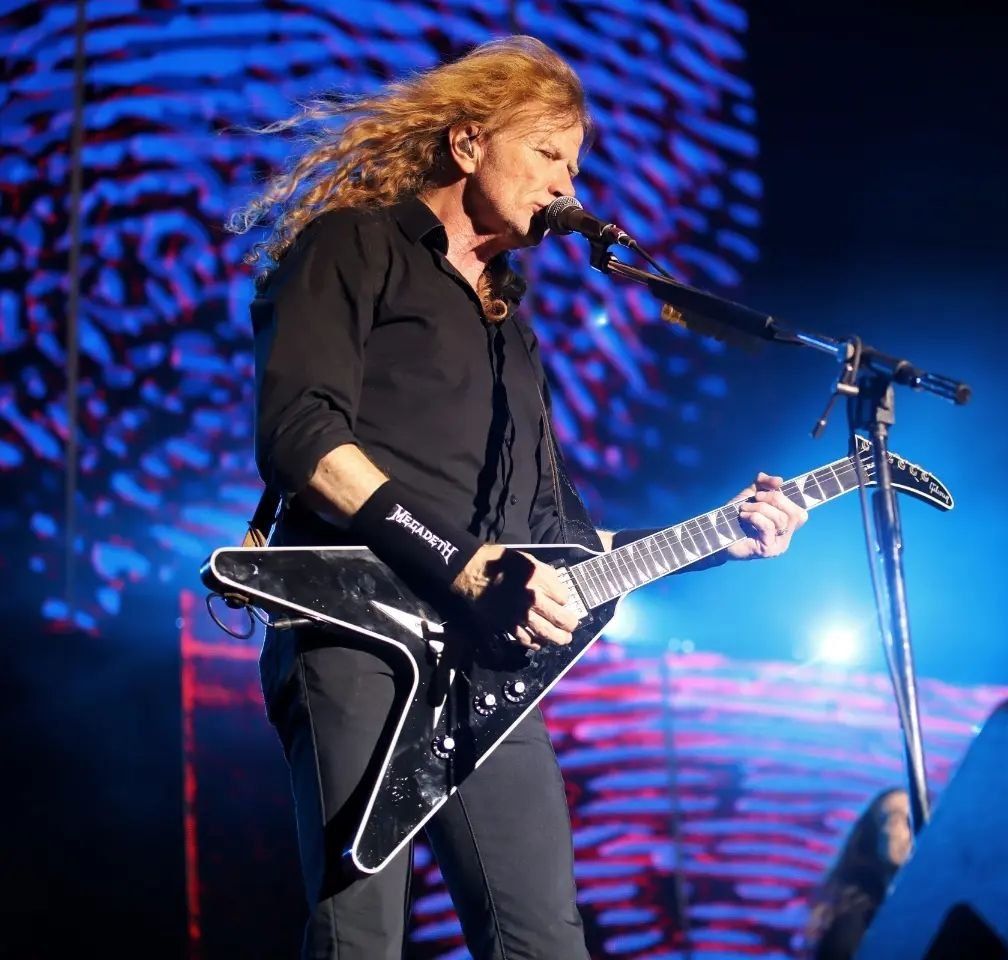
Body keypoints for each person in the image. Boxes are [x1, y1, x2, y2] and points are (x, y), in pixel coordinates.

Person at [226, 35, 809, 960]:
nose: (567, 184)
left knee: (544, 941)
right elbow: (302, 437)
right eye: (547, 153)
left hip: (484, 667)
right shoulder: (355, 244)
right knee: (359, 937)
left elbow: (557, 539)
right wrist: (459, 563)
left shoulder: (509, 323)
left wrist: (716, 538)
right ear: (467, 142)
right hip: (356, 629)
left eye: (574, 165)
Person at [800, 787, 914, 960]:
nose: (891, 830)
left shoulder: (938, 905)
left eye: (904, 819)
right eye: (884, 819)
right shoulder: (849, 916)